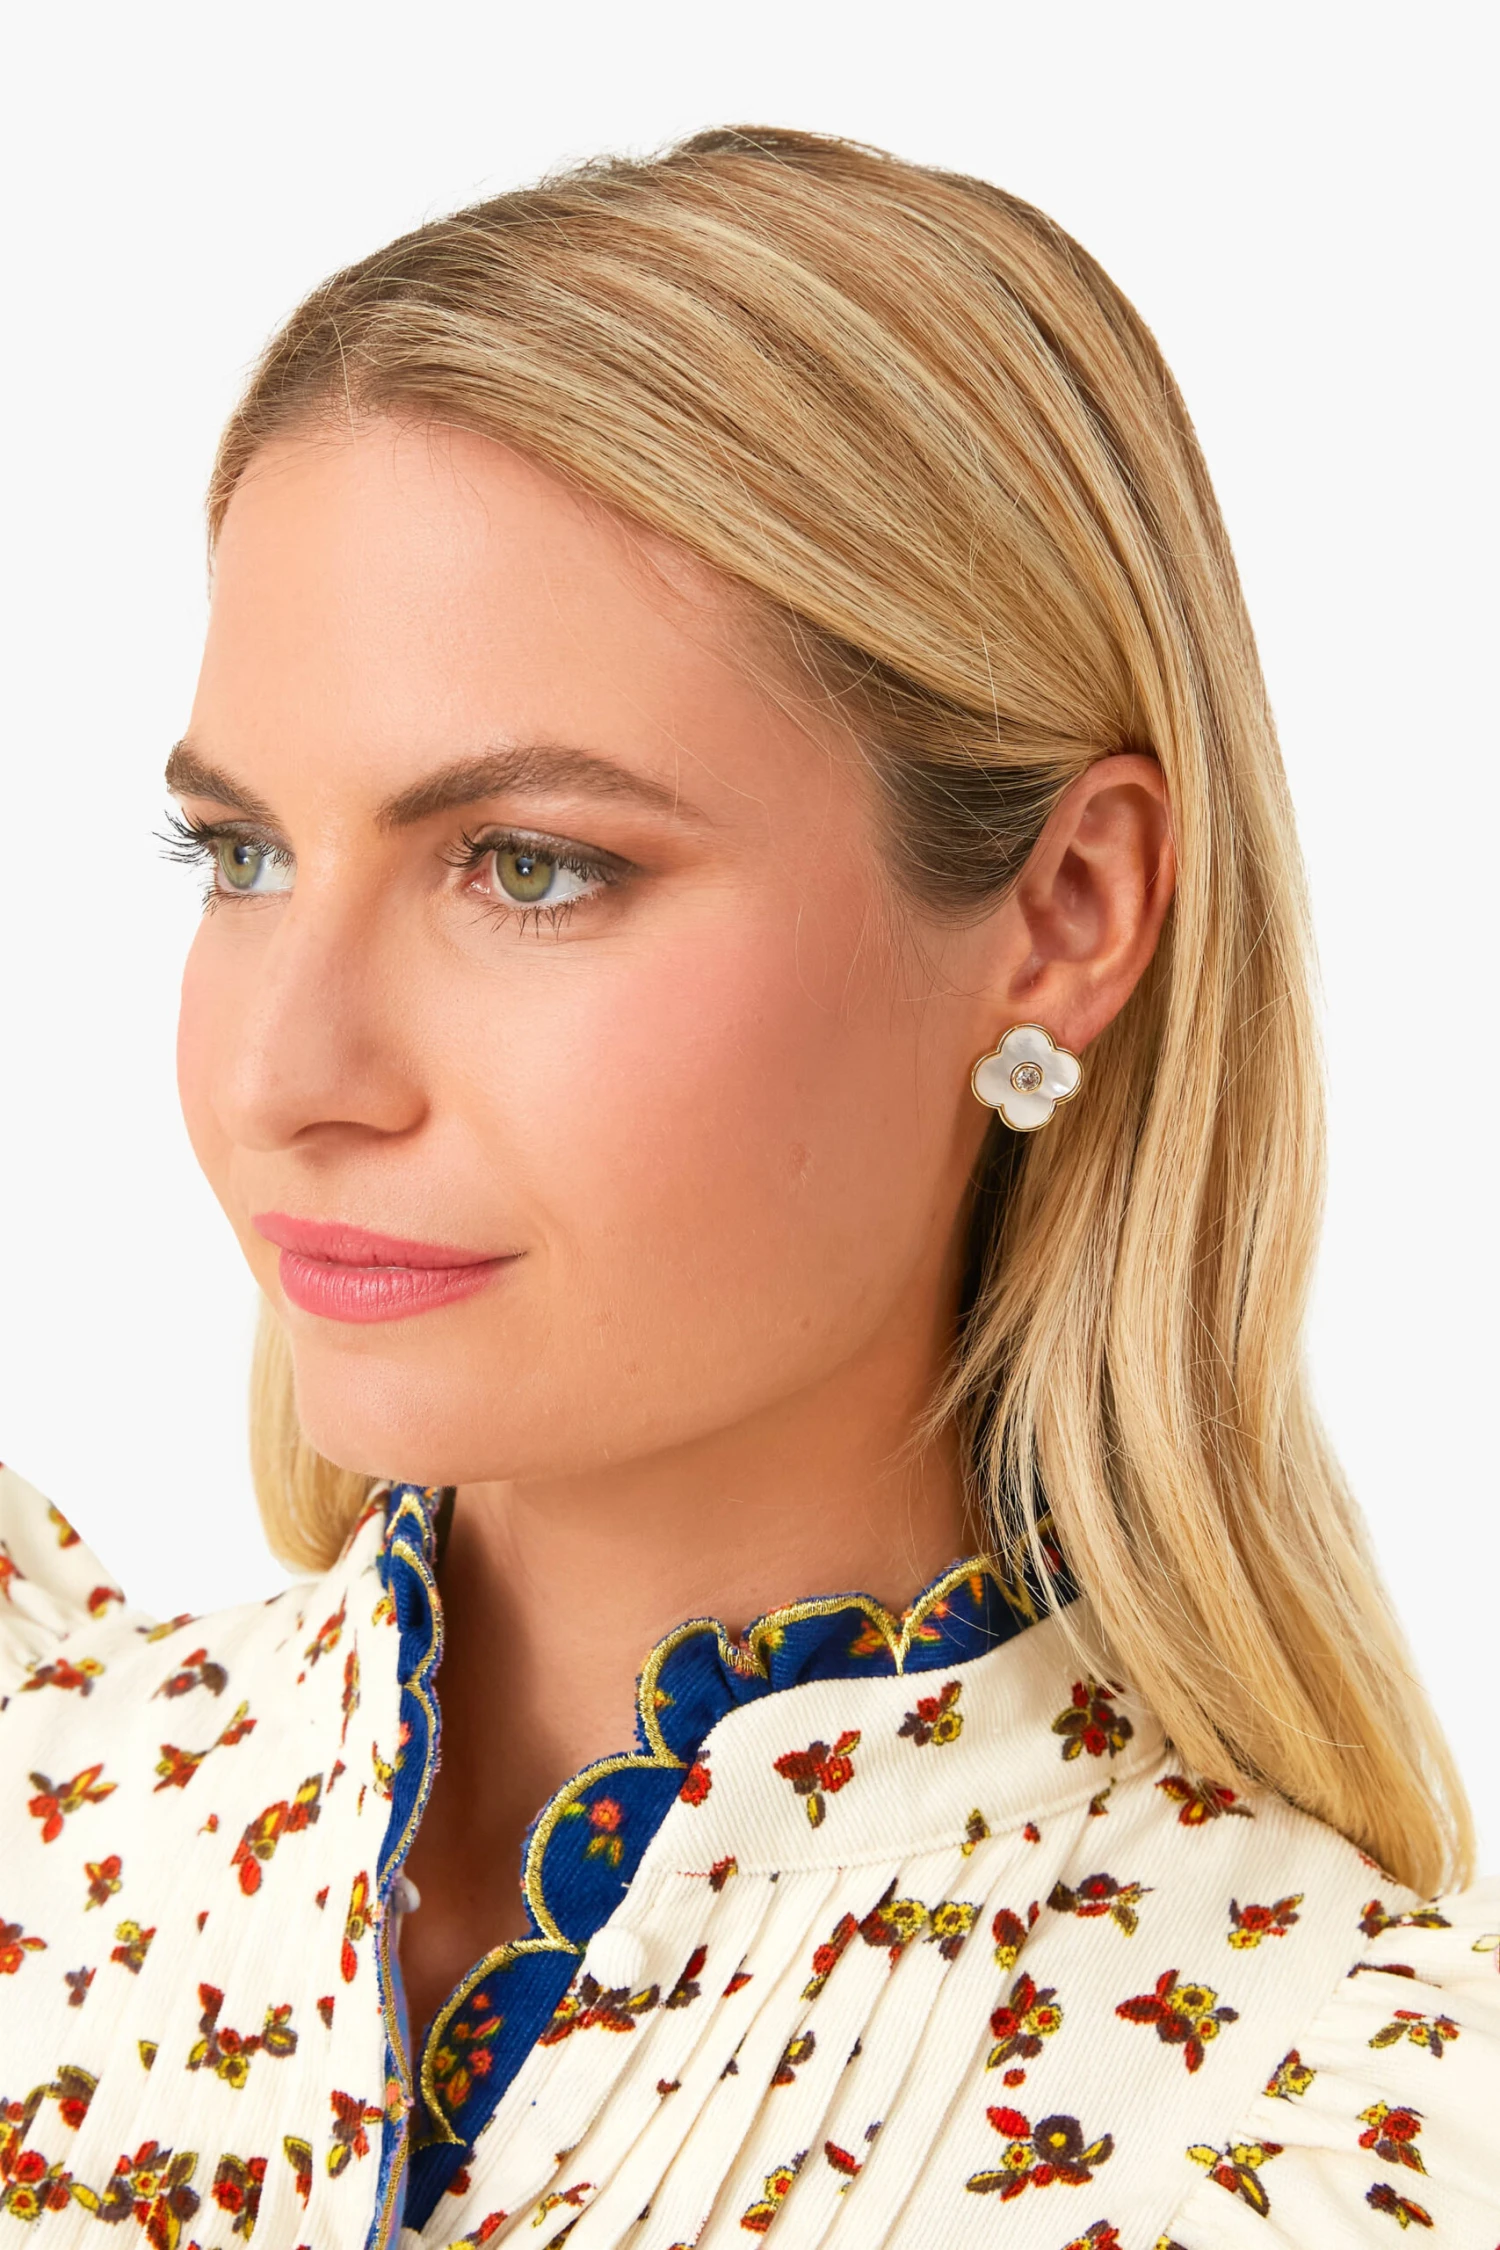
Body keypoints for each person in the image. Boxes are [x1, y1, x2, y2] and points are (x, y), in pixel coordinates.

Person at [1, 125, 1493, 2250]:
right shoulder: (37, 1778)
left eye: (532, 867)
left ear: (1068, 909)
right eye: (241, 855)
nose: (279, 1078)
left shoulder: (1340, 2132)